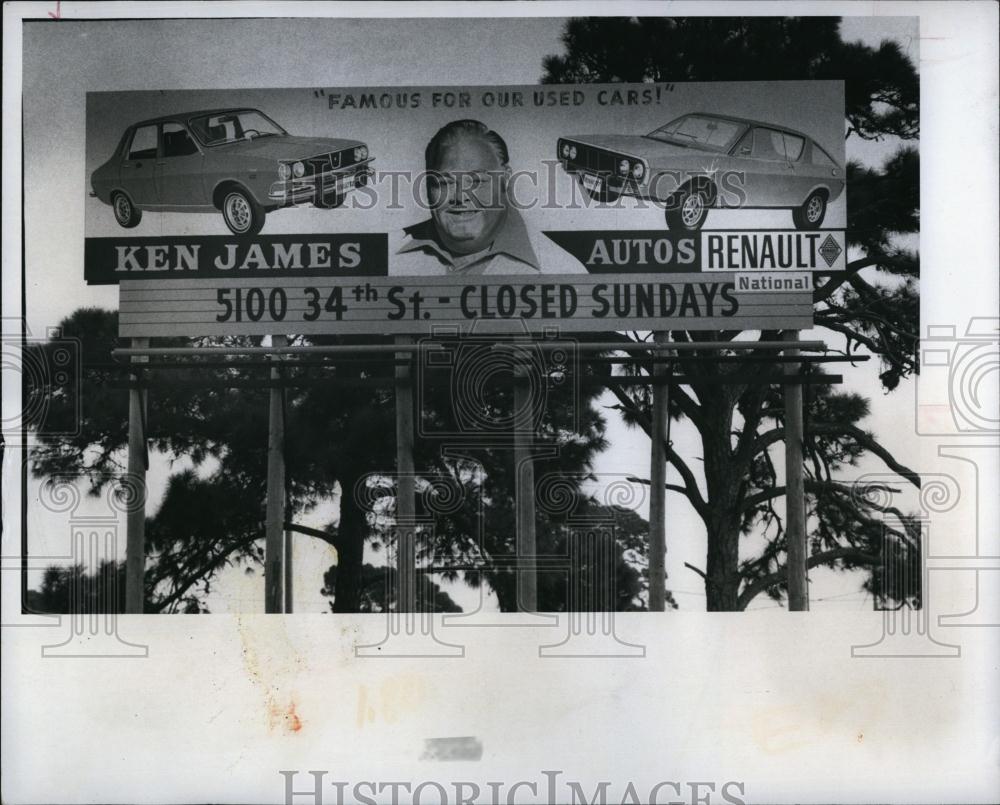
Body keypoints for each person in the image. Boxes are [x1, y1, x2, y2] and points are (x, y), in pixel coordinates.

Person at [395, 119, 540, 276]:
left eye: (476, 181)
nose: (460, 197)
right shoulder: (384, 255)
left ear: (505, 180)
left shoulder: (560, 265)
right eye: (444, 183)